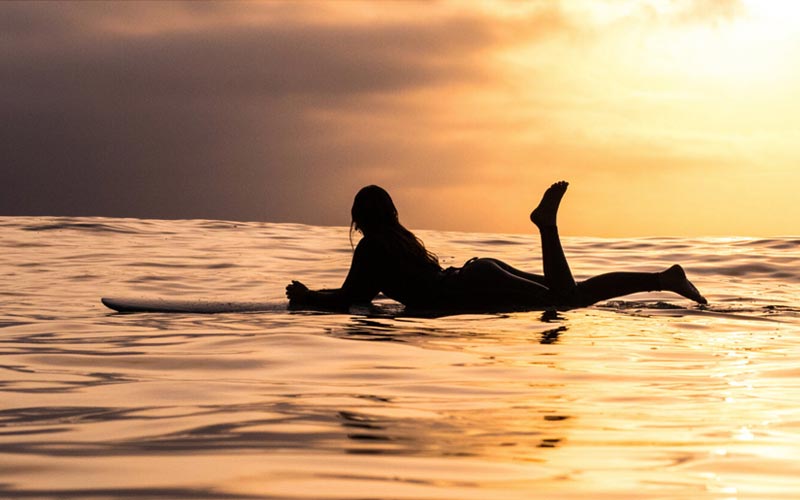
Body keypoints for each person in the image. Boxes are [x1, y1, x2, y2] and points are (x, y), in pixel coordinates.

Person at [285, 181, 707, 312]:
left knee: (564, 299)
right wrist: (316, 295)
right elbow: (364, 294)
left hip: (469, 289)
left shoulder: (372, 249)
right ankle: (661, 278)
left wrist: (307, 298)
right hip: (476, 273)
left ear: (359, 219)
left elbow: (353, 297)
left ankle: (546, 226)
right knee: (572, 294)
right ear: (391, 212)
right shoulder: (400, 242)